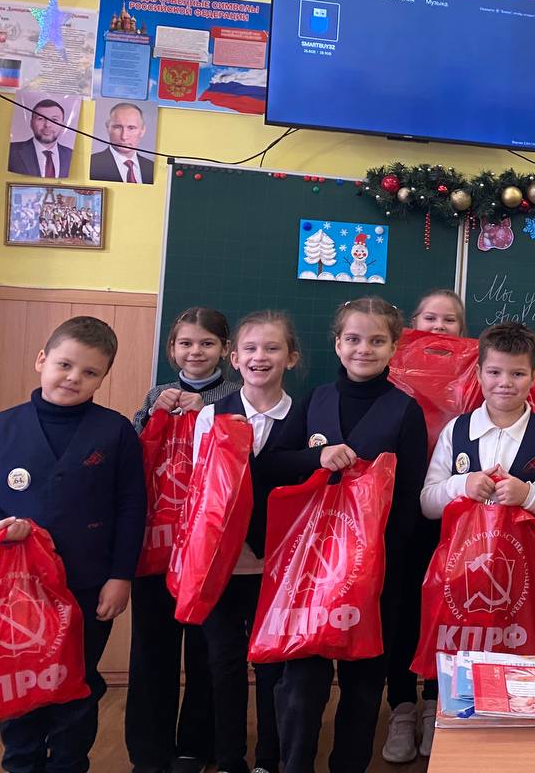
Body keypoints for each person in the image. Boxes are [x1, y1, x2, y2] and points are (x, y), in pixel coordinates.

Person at [274, 298, 428, 773]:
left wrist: (377, 562)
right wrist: (315, 458)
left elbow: (411, 496)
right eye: (354, 339)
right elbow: (274, 464)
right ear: (338, 344)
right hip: (311, 573)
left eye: (377, 341)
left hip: (375, 572)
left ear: (394, 348)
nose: (365, 349)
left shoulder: (405, 410)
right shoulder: (314, 400)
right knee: (302, 684)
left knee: (363, 685)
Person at [0, 316, 146, 773]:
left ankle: (68, 763)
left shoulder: (115, 431)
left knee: (76, 681)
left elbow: (131, 508)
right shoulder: (4, 427)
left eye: (90, 372)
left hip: (88, 584)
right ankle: (21, 763)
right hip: (17, 591)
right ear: (41, 359)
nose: (73, 378)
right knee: (22, 679)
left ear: (104, 377)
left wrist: (120, 577)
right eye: (64, 364)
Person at [192, 311, 310, 773]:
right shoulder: (211, 415)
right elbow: (200, 491)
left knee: (271, 667)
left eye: (273, 348)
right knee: (223, 664)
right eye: (251, 349)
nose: (261, 357)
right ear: (234, 358)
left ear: (291, 358)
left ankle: (267, 759)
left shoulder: (304, 418)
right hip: (220, 566)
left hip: (277, 567)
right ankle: (229, 759)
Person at [421, 321, 535, 668]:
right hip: (462, 583)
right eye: (494, 372)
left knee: (529, 668)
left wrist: (528, 495)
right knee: (462, 669)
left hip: (530, 589)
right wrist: (462, 485)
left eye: (517, 374)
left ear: (534, 378)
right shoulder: (457, 431)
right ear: (478, 375)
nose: (505, 382)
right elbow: (428, 502)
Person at [127, 308, 239, 773]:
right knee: (151, 649)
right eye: (186, 344)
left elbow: (242, 454)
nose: (196, 352)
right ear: (172, 349)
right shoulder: (157, 394)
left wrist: (208, 415)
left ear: (225, 350)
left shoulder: (235, 395)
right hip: (156, 543)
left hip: (207, 548)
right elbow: (135, 452)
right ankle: (149, 752)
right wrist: (154, 413)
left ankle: (196, 745)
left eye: (207, 343)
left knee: (204, 652)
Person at [385, 288, 463, 762]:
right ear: (412, 325)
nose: (438, 327)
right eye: (430, 318)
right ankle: (401, 706)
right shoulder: (390, 369)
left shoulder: (476, 374)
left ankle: (436, 703)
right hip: (398, 512)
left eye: (449, 320)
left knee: (447, 610)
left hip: (453, 514)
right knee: (400, 610)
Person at [90, 101, 154, 184]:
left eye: (131, 128)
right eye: (118, 127)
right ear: (108, 128)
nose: (124, 136)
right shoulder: (91, 164)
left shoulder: (152, 168)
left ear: (142, 131)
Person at [8, 98, 72, 178]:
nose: (47, 125)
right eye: (41, 119)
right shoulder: (10, 151)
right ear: (31, 123)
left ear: (63, 126)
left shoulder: (72, 156)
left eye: (54, 120)